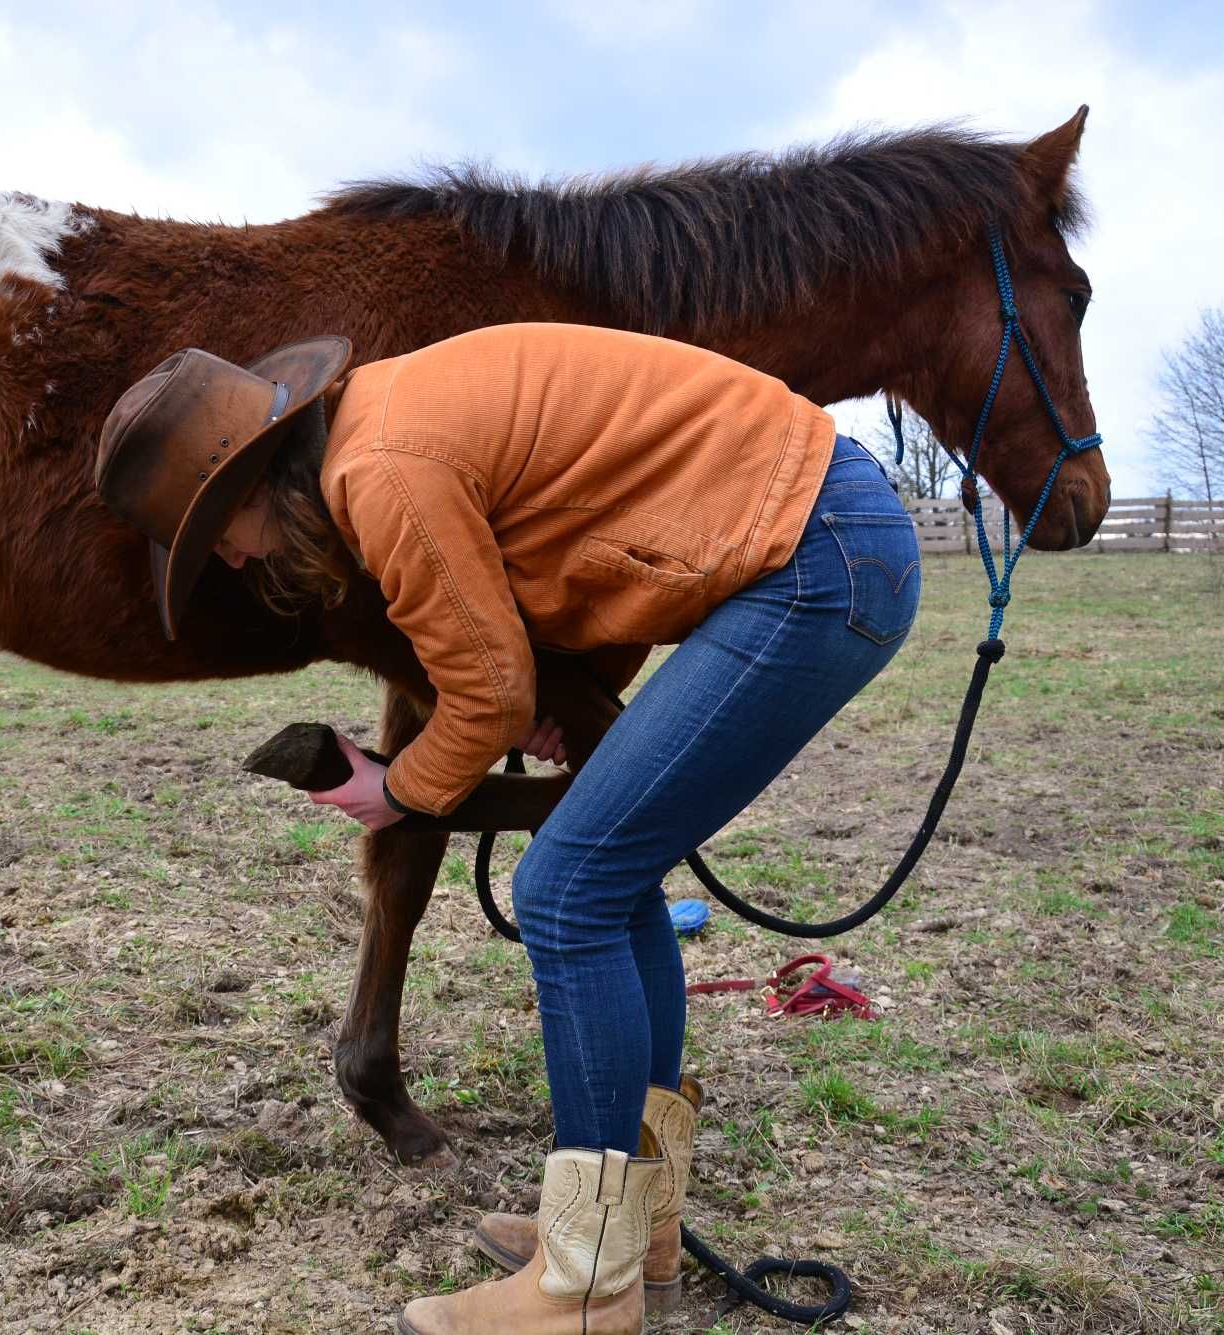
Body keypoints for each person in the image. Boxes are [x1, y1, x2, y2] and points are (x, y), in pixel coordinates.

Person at [95, 323, 920, 1335]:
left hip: (810, 560)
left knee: (564, 889)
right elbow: (531, 604)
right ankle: (634, 1231)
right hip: (824, 536)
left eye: (214, 529)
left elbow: (484, 700)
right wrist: (511, 687)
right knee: (606, 879)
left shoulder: (380, 469)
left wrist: (397, 792)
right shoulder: (385, 424)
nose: (226, 556)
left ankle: (583, 1284)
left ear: (256, 481)